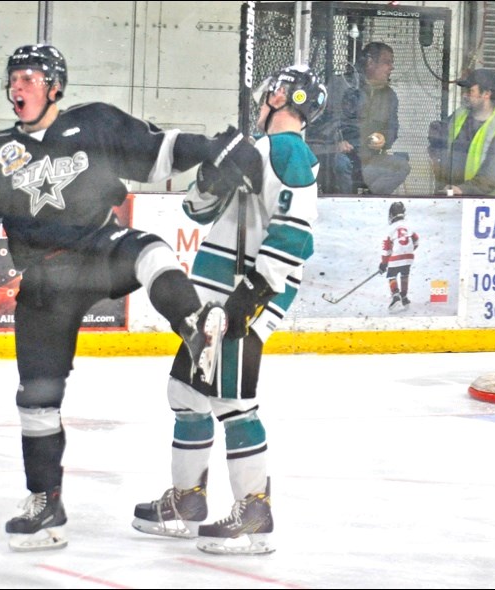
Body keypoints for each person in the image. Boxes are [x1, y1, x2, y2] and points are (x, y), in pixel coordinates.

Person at [0, 44, 263, 552]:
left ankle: (195, 326)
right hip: (43, 279)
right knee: (36, 399)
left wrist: (214, 147)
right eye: (13, 79)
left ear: (55, 85)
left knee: (150, 249)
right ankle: (45, 502)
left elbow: (161, 151)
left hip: (98, 248)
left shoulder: (95, 124)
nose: (17, 87)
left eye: (29, 77)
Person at [132, 64, 326, 555]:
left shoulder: (288, 149)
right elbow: (195, 212)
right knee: (186, 391)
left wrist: (254, 292)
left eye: (273, 91)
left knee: (233, 400)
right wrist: (213, 175)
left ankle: (254, 515)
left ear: (286, 97)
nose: (265, 97)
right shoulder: (259, 150)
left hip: (245, 295)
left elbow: (296, 228)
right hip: (217, 294)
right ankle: (187, 502)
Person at [335, 42, 410, 194]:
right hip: (343, 156)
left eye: (392, 63)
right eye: (386, 62)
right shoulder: (343, 85)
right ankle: (344, 202)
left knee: (401, 166)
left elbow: (393, 129)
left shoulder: (389, 96)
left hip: (370, 161)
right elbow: (325, 122)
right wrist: (336, 142)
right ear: (370, 63)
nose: (391, 68)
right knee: (339, 163)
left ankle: (371, 201)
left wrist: (383, 138)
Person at [427, 68, 495, 196]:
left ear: (486, 94)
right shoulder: (461, 114)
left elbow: (492, 176)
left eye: (470, 91)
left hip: (491, 205)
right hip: (458, 197)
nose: (465, 95)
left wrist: (462, 189)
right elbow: (439, 136)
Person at [379, 201, 419, 311]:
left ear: (391, 215)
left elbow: (386, 248)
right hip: (409, 257)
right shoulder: (409, 226)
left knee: (391, 275)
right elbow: (416, 240)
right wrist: (409, 250)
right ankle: (404, 296)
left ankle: (396, 296)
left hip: (396, 257)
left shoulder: (390, 229)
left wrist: (384, 263)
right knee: (404, 274)